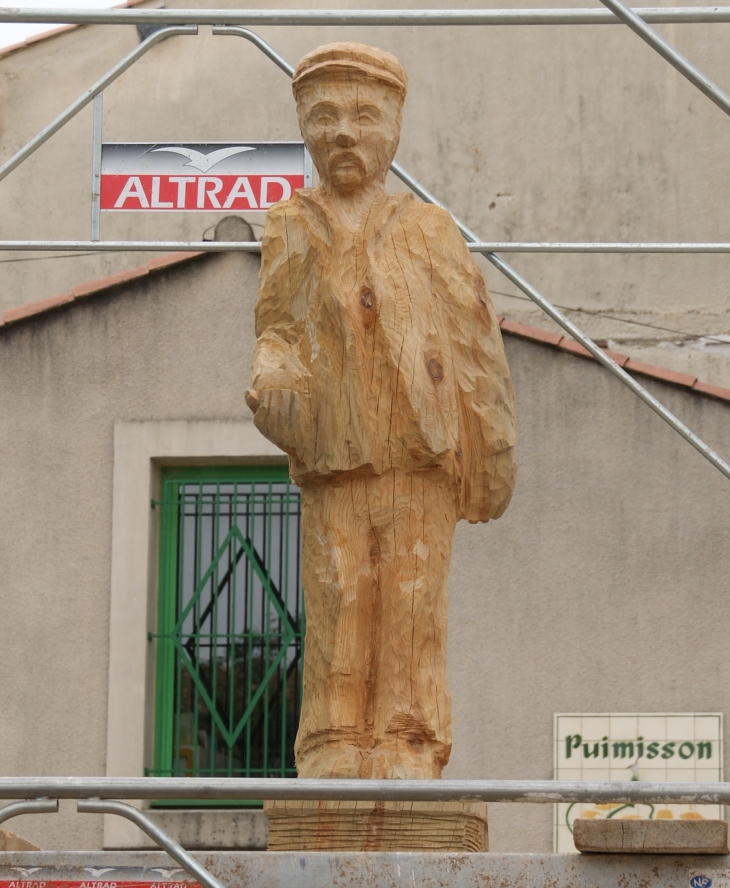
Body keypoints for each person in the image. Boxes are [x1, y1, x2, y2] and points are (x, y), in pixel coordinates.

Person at [246, 42, 517, 780]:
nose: (343, 133)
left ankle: (411, 738)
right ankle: (334, 742)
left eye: (364, 116)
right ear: (302, 123)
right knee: (338, 593)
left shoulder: (430, 228)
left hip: (421, 456)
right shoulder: (289, 226)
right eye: (325, 115)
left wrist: (490, 450)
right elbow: (275, 326)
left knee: (409, 595)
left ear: (395, 125)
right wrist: (273, 373)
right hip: (333, 454)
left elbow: (473, 342)